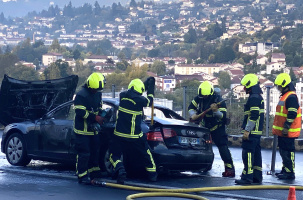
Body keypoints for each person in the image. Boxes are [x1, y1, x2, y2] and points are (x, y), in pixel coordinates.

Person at [109, 77, 157, 184]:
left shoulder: (122, 95)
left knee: (113, 154)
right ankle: (152, 175)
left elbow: (134, 90)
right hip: (134, 135)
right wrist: (151, 88)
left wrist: (145, 83)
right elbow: (149, 100)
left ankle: (120, 168)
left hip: (119, 134)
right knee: (146, 153)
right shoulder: (141, 100)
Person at [188, 81, 235, 177]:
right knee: (202, 148)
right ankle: (202, 166)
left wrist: (216, 111)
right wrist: (193, 115)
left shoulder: (218, 100)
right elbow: (191, 107)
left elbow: (223, 116)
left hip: (217, 128)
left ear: (210, 93)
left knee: (223, 147)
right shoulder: (199, 98)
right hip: (205, 128)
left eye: (205, 96)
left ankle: (229, 169)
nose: (204, 98)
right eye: (202, 96)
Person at [73, 72, 105, 184]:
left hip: (93, 131)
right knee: (84, 153)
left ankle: (94, 173)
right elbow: (80, 112)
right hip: (82, 130)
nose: (96, 91)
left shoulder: (97, 94)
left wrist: (101, 114)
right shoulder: (81, 95)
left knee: (95, 152)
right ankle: (82, 175)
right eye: (95, 90)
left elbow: (99, 106)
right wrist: (95, 118)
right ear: (90, 86)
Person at [235, 74, 264, 185]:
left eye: (245, 86)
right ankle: (257, 176)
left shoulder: (254, 98)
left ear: (249, 85)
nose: (244, 89)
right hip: (257, 132)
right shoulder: (258, 96)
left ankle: (247, 177)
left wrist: (247, 130)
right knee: (256, 154)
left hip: (252, 132)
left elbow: (254, 115)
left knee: (247, 154)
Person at [272, 73, 301, 180]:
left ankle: (290, 172)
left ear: (285, 86)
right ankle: (285, 169)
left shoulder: (291, 97)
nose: (278, 88)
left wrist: (286, 126)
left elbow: (292, 113)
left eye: (279, 86)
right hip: (283, 131)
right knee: (283, 151)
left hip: (288, 131)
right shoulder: (286, 96)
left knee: (288, 151)